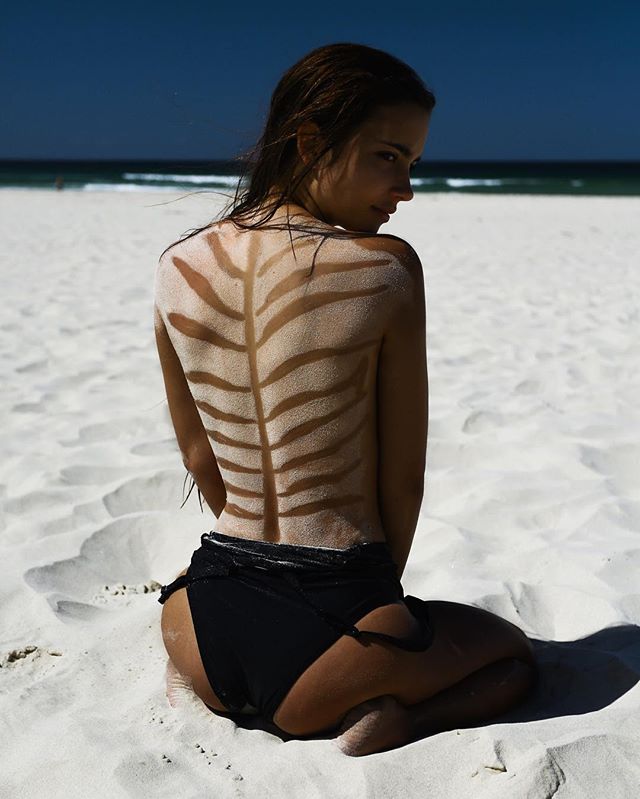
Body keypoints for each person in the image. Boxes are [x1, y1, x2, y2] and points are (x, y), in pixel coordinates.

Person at [153, 42, 537, 757]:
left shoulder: (177, 265)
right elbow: (404, 477)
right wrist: (372, 604)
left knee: (195, 598)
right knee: (512, 655)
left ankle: (204, 686)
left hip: (201, 620)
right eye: (388, 157)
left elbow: (200, 455)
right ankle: (396, 721)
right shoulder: (385, 267)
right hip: (333, 625)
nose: (406, 189)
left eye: (413, 164)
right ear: (308, 143)